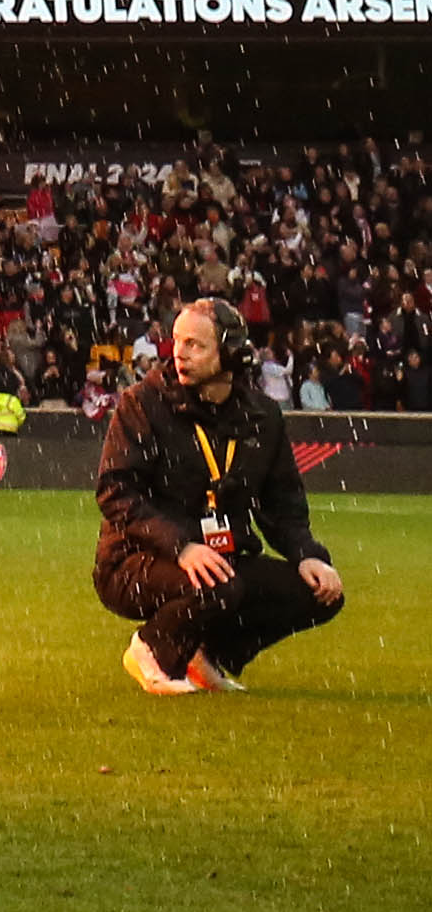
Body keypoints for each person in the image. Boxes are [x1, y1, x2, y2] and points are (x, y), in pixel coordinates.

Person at [95, 295, 350, 693]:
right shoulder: (142, 403)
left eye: (194, 344)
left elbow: (283, 505)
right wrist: (181, 546)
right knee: (218, 585)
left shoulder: (262, 416)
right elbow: (116, 493)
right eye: (177, 341)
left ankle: (208, 657)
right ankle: (152, 650)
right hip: (133, 561)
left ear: (231, 353)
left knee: (321, 594)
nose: (179, 353)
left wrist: (308, 555)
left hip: (220, 558)